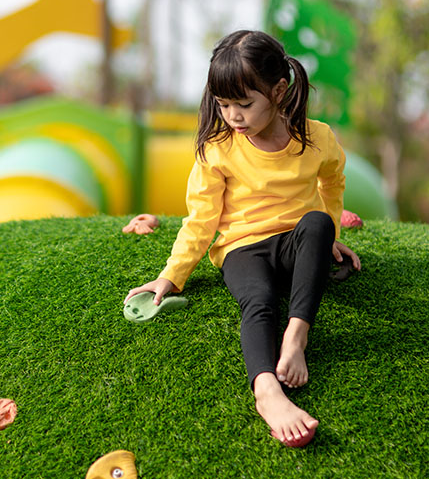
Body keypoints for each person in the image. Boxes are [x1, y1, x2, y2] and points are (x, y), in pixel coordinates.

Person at [123, 30, 361, 448]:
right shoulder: (217, 149)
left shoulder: (317, 138)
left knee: (318, 225)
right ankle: (267, 391)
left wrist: (329, 238)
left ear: (278, 90)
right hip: (242, 250)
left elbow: (333, 185)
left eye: (244, 104)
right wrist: (171, 275)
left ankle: (296, 336)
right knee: (259, 301)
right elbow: (201, 220)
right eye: (223, 104)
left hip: (294, 243)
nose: (233, 114)